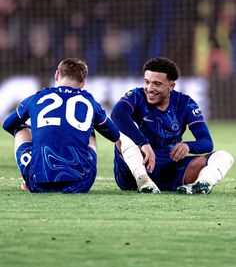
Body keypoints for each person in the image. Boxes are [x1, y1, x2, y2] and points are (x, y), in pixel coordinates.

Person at [111, 57, 234, 194]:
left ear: (171, 86)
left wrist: (188, 146)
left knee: (224, 156)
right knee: (121, 136)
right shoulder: (136, 95)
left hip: (170, 171)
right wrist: (143, 143)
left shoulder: (185, 104)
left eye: (157, 84)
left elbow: (206, 142)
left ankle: (202, 184)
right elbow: (117, 115)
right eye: (147, 82)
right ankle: (144, 181)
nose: (150, 89)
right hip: (133, 172)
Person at [3, 58, 119, 193]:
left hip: (38, 183)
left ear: (57, 75)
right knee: (90, 130)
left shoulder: (36, 98)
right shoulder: (90, 102)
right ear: (82, 83)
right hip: (80, 184)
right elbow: (114, 134)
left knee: (20, 129)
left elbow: (7, 124)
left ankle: (28, 172)